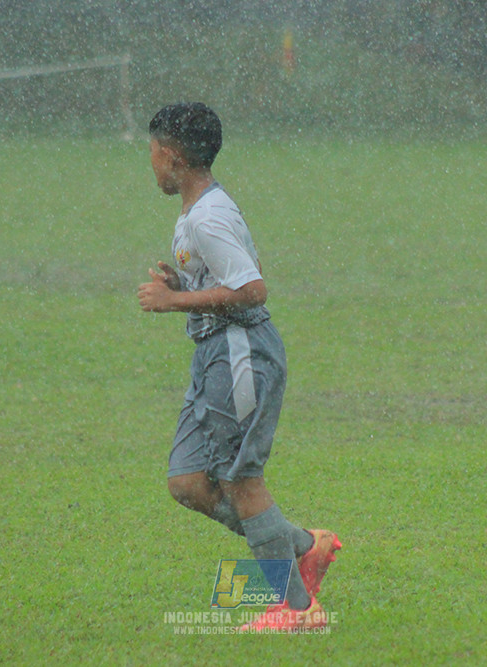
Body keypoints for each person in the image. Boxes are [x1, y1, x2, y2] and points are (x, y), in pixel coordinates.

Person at [137, 102, 340, 633]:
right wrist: (187, 288)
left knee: (240, 481)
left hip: (240, 353)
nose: (152, 166)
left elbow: (252, 290)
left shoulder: (206, 218)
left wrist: (171, 302)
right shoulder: (198, 210)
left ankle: (296, 610)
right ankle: (301, 546)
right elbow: (224, 282)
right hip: (213, 355)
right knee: (187, 481)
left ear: (173, 157)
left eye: (153, 155)